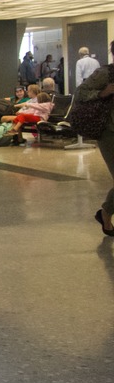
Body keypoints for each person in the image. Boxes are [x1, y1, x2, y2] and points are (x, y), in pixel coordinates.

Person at [77, 40, 114, 236]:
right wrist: (102, 92)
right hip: (109, 132)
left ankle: (106, 212)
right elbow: (81, 92)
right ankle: (106, 213)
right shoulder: (105, 74)